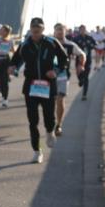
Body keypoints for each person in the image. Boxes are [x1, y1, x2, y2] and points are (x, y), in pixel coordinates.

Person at [9, 18, 69, 164]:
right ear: (30, 29)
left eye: (38, 30)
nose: (35, 33)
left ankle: (49, 131)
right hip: (31, 85)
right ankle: (37, 151)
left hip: (48, 85)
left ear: (42, 30)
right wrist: (12, 68)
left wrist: (55, 70)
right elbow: (15, 61)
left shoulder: (52, 42)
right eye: (33, 30)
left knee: (49, 117)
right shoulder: (25, 45)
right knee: (33, 121)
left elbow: (64, 59)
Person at [52, 22, 85, 136]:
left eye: (62, 30)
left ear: (65, 32)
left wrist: (81, 65)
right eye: (58, 30)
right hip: (49, 77)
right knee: (51, 101)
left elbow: (82, 54)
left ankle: (59, 125)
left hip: (63, 76)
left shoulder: (70, 45)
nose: (60, 32)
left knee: (60, 99)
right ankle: (51, 121)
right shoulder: (48, 43)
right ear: (54, 31)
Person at [0, 24, 15, 107]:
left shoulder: (11, 40)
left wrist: (14, 63)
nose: (0, 31)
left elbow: (13, 51)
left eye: (2, 30)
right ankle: (5, 78)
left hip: (6, 60)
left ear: (6, 32)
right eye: (0, 30)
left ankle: (5, 99)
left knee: (4, 81)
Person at [73, 24, 95, 100]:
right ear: (79, 30)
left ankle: (84, 94)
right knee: (79, 75)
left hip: (88, 60)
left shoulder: (89, 38)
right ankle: (80, 80)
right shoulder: (76, 39)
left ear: (85, 30)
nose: (82, 31)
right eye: (81, 30)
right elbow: (72, 47)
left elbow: (94, 45)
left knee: (86, 77)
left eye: (84, 30)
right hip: (79, 60)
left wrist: (90, 45)